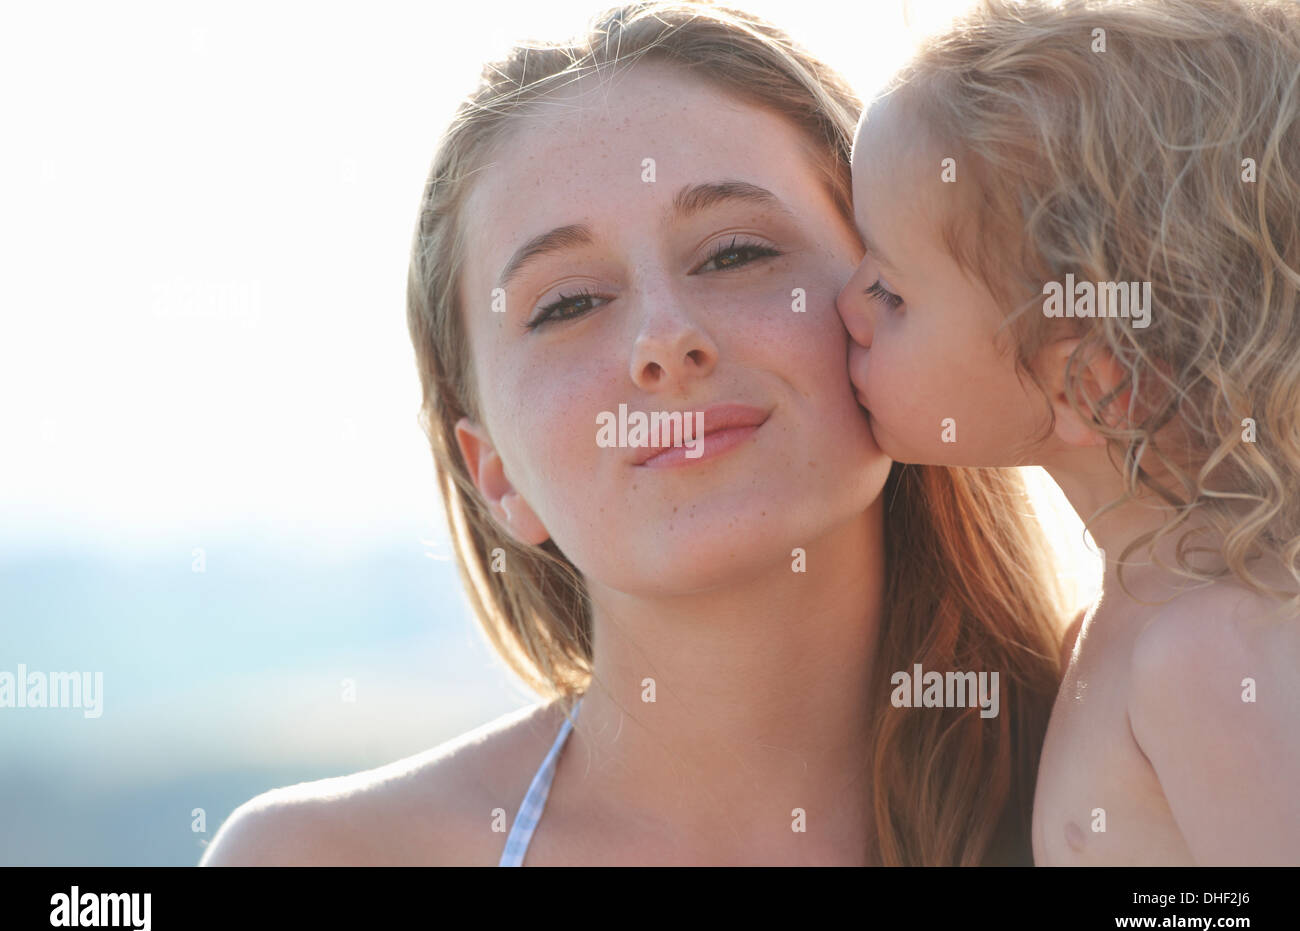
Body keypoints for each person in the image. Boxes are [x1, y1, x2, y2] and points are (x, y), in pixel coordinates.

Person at [202, 1, 1068, 867]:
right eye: (568, 304)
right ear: (493, 471)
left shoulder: (1157, 764)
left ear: (890, 300)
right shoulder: (320, 858)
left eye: (735, 252)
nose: (665, 339)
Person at [837, 0, 1300, 864]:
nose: (843, 306)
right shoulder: (1121, 621)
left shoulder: (1207, 653)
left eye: (891, 293)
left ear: (1093, 381)